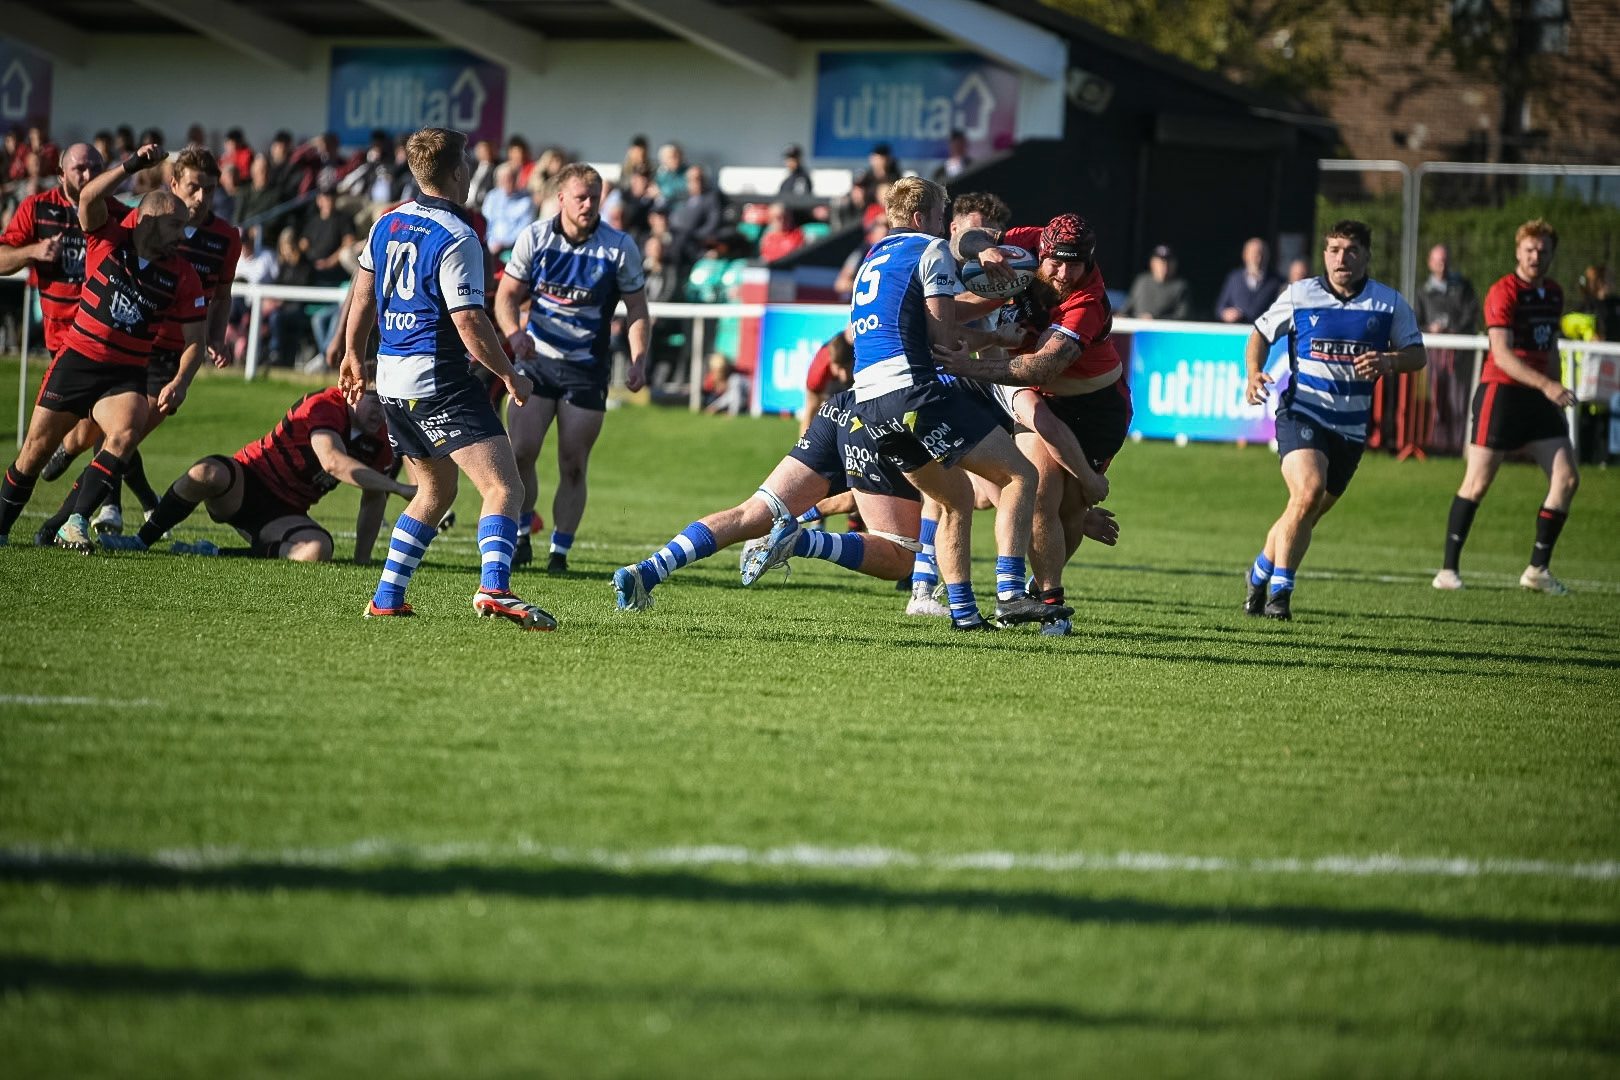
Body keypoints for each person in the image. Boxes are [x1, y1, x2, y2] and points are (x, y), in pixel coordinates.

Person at [759, 176, 1068, 632]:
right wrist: (993, 330)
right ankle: (1009, 593)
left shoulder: (873, 255)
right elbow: (941, 336)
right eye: (941, 216)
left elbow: (922, 317)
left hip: (868, 402)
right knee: (1021, 475)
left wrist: (989, 300)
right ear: (923, 217)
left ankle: (964, 613)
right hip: (914, 392)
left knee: (954, 498)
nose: (944, 226)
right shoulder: (931, 249)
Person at [338, 125, 555, 629]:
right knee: (504, 487)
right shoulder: (459, 235)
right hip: (438, 379)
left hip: (391, 381)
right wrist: (509, 375)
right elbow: (469, 321)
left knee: (434, 492)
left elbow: (362, 295)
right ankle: (494, 588)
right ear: (458, 172)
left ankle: (387, 597)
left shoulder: (386, 223)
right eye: (468, 165)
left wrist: (351, 352)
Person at [0, 144, 206, 551]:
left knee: (126, 432)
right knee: (33, 454)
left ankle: (73, 522)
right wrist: (132, 165)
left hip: (126, 372)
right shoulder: (107, 237)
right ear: (149, 221)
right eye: (175, 227)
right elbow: (89, 196)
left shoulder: (184, 274)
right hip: (77, 360)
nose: (183, 237)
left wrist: (181, 381)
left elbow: (197, 342)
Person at [37, 146, 242, 539]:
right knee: (87, 437)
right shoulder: (145, 218)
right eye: (194, 187)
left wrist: (215, 337)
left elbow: (222, 294)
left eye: (211, 189)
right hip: (126, 344)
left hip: (170, 355)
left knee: (122, 440)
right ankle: (126, 492)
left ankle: (65, 521)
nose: (202, 197)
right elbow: (110, 247)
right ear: (174, 184)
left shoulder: (226, 238)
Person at [935, 213, 1125, 631]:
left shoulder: (1087, 302)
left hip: (1096, 409)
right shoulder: (1033, 241)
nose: (1063, 274)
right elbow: (965, 239)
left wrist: (969, 367)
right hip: (1040, 398)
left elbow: (1042, 367)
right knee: (1039, 495)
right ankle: (1052, 607)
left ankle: (1038, 590)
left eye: (1075, 266)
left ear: (1089, 261)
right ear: (1044, 250)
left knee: (1071, 511)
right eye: (1056, 263)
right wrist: (986, 249)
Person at [1240, 220, 1425, 619]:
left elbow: (1417, 354)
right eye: (1334, 250)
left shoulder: (1388, 303)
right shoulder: (1300, 295)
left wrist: (1389, 361)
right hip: (1302, 412)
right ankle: (1280, 596)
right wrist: (1253, 372)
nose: (1342, 258)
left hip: (1351, 429)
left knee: (1305, 510)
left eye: (1351, 250)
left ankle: (1258, 573)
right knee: (1309, 492)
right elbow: (1259, 334)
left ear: (1366, 256)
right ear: (1324, 254)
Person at [613, 390, 922, 610]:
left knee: (751, 513)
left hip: (842, 406)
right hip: (894, 412)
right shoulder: (928, 319)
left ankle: (648, 570)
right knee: (900, 557)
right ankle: (935, 599)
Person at [495, 162, 650, 572]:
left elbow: (637, 309)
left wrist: (639, 359)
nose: (588, 205)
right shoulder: (535, 237)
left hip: (587, 367)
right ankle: (522, 534)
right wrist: (513, 334)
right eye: (581, 197)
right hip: (536, 362)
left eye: (595, 198)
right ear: (561, 198)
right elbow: (506, 295)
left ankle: (559, 553)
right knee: (520, 453)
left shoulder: (619, 246)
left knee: (574, 464)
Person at [1434, 219, 1576, 595]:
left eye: (1543, 250)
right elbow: (1501, 353)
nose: (1535, 256)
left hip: (1541, 397)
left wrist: (1555, 390)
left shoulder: (1554, 293)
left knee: (1567, 479)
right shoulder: (1504, 291)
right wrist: (1547, 385)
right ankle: (1448, 571)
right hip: (1503, 394)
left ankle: (1538, 569)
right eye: (1529, 249)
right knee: (1478, 482)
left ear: (1552, 254)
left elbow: (1550, 348)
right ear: (1518, 251)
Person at [103, 386, 408, 561]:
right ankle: (141, 540)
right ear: (352, 389)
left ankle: (215, 552)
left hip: (284, 513)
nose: (380, 412)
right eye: (374, 400)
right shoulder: (324, 404)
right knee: (207, 471)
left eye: (386, 404)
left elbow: (373, 498)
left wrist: (361, 561)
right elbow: (332, 461)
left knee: (317, 550)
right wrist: (400, 488)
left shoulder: (382, 437)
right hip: (246, 482)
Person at [0, 143, 119, 360]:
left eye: (96, 169)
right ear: (61, 174)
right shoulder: (37, 207)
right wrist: (33, 251)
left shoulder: (116, 211)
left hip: (105, 338)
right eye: (80, 169)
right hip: (62, 340)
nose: (89, 176)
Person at [1216, 237, 1284, 323]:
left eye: (1261, 253)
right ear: (1245, 255)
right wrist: (1226, 313)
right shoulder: (1234, 278)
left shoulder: (1277, 282)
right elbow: (1220, 308)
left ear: (1267, 256)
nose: (1258, 258)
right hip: (1238, 329)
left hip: (1265, 329)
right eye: (1253, 253)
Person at [1413, 244, 1478, 335]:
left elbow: (1471, 315)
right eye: (1438, 263)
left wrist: (1454, 330)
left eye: (1444, 261)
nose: (1442, 267)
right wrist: (1429, 329)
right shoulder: (1421, 293)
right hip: (1432, 343)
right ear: (1430, 263)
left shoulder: (1464, 288)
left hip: (1460, 342)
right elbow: (1415, 324)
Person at [668, 164, 723, 270]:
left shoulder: (711, 199)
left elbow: (713, 223)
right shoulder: (683, 199)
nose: (696, 182)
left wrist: (695, 235)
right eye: (691, 180)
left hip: (696, 240)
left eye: (699, 179)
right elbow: (674, 218)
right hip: (679, 238)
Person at [1121, 244, 1190, 320]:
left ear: (1174, 264)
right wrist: (1120, 315)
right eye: (1160, 262)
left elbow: (1183, 316)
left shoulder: (1180, 286)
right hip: (1137, 325)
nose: (1164, 266)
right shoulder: (1142, 281)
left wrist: (1155, 318)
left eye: (1168, 262)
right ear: (1152, 263)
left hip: (1162, 327)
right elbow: (1128, 307)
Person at [480, 163, 534, 257]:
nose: (507, 182)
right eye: (503, 179)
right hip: (489, 245)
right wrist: (491, 242)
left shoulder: (526, 200)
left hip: (512, 248)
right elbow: (485, 222)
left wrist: (503, 243)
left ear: (517, 179)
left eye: (510, 178)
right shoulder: (491, 197)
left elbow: (523, 229)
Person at [1576, 264, 1620, 342]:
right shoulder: (1587, 306)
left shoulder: (1616, 303)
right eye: (1610, 279)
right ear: (1600, 282)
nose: (1614, 282)